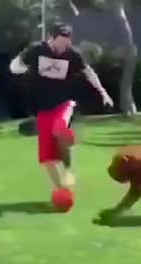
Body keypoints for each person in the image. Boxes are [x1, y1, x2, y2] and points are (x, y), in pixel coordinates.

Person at [9, 22, 113, 190]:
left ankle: (68, 169)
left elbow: (88, 72)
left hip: (64, 104)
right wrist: (24, 69)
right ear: (51, 38)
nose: (64, 46)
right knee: (47, 158)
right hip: (43, 108)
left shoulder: (72, 55)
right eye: (61, 41)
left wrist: (103, 92)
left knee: (60, 129)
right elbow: (14, 67)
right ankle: (62, 190)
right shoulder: (36, 50)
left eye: (67, 42)